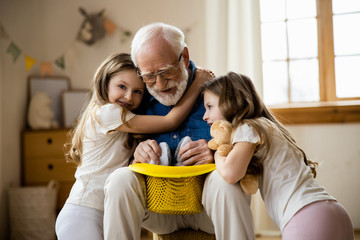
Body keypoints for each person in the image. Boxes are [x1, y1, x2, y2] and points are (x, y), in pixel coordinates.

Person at [103, 23, 255, 240]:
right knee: (119, 179)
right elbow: (117, 146)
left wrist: (218, 154)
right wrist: (137, 154)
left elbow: (252, 140)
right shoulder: (137, 96)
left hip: (207, 207)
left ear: (184, 56)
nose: (160, 84)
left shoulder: (221, 91)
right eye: (149, 76)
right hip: (158, 208)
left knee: (227, 184)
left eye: (166, 71)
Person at [55, 53, 212, 240]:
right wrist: (198, 83)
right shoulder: (108, 113)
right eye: (122, 86)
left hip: (105, 211)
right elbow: (171, 121)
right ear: (105, 83)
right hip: (84, 211)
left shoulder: (125, 120)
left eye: (137, 91)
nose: (129, 96)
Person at [202, 72, 354, 240]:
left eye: (209, 107)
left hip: (305, 216)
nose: (205, 116)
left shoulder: (248, 127)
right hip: (334, 211)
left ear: (230, 102)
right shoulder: (267, 127)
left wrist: (217, 154)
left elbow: (230, 174)